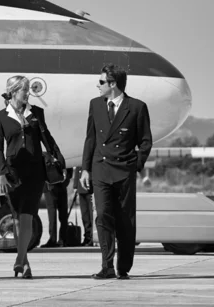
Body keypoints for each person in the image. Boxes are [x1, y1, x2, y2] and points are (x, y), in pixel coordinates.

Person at [80, 63, 152, 280]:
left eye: (101, 82)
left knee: (125, 221)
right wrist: (85, 169)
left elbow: (146, 142)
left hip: (124, 171)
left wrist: (134, 165)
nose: (98, 85)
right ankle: (107, 265)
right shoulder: (95, 104)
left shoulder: (137, 107)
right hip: (100, 169)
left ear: (113, 84)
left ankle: (123, 265)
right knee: (102, 216)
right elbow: (90, 138)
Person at [0, 76, 65, 279]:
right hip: (13, 173)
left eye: (27, 89)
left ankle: (19, 259)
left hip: (35, 172)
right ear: (14, 91)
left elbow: (47, 139)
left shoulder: (36, 113)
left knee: (27, 216)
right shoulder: (0, 116)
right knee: (17, 219)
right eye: (24, 89)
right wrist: (0, 173)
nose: (27, 93)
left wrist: (59, 161)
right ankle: (24, 263)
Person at [40, 160, 71, 248]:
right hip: (61, 186)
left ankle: (53, 239)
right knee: (63, 214)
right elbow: (69, 171)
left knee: (53, 214)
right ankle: (63, 239)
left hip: (50, 186)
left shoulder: (46, 155)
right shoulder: (63, 155)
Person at [73, 167, 94, 247]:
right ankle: (87, 237)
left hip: (90, 188)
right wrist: (75, 186)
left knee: (91, 216)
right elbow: (77, 170)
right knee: (85, 216)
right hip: (81, 189)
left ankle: (92, 237)